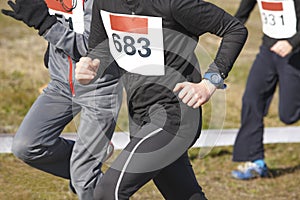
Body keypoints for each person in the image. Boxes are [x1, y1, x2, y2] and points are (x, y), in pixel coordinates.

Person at [75, 0, 248, 199]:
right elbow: (101, 49)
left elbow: (234, 29)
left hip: (175, 116)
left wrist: (210, 82)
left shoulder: (171, 3)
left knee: (108, 192)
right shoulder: (105, 2)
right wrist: (89, 66)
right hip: (139, 114)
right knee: (183, 195)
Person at [1, 0, 122, 199]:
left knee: (83, 179)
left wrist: (44, 24)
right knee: (26, 145)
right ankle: (88, 164)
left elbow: (88, 48)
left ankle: (88, 171)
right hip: (60, 86)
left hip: (99, 88)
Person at [231, 0, 300, 180]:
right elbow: (241, 15)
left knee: (289, 115)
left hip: (295, 54)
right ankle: (255, 161)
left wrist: (292, 42)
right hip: (268, 50)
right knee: (251, 100)